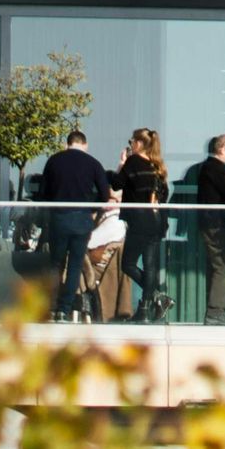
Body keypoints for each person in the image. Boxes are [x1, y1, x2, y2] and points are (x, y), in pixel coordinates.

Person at [37, 125, 111, 320]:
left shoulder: (54, 161)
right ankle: (64, 308)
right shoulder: (93, 163)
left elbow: (43, 193)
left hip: (59, 218)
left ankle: (50, 306)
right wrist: (92, 209)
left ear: (67, 144)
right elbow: (105, 195)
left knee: (55, 264)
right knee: (75, 265)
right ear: (85, 145)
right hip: (82, 219)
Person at [99, 127, 167, 321]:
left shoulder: (133, 161)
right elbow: (164, 194)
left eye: (131, 142)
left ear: (138, 143)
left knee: (128, 264)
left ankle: (154, 296)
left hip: (139, 220)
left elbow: (118, 184)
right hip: (156, 221)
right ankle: (145, 310)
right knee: (150, 264)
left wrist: (121, 166)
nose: (130, 145)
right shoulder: (157, 165)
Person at [185, 132, 225, 324]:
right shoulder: (215, 168)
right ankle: (215, 312)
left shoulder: (212, 168)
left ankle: (216, 311)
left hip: (213, 223)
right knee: (223, 267)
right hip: (216, 226)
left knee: (222, 267)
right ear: (222, 150)